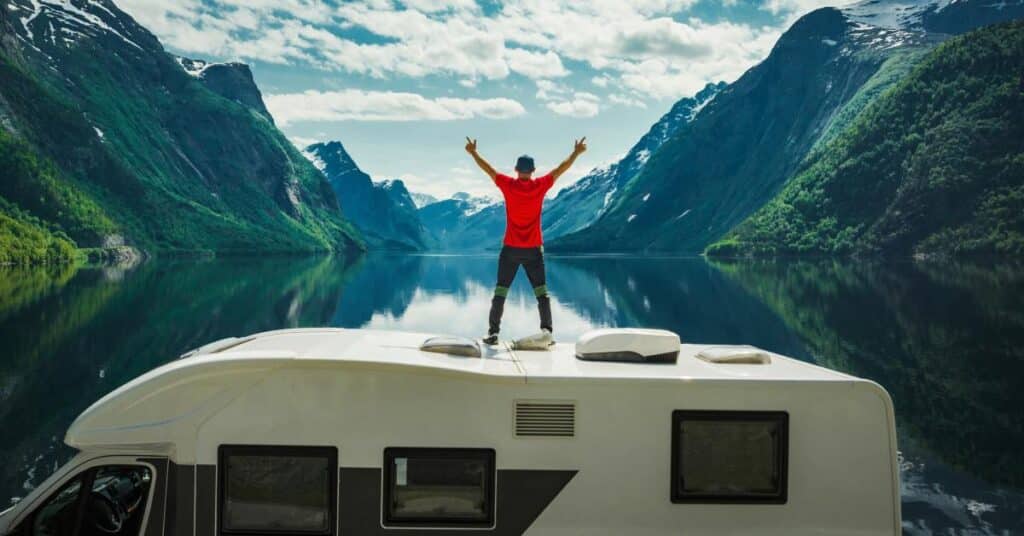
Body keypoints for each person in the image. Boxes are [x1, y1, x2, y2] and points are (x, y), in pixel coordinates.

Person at [464, 136, 587, 345]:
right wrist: (576, 152)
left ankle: (493, 333)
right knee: (542, 293)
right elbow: (560, 169)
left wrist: (473, 152)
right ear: (533, 171)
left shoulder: (508, 185)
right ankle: (547, 332)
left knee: (501, 291)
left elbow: (489, 170)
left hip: (510, 249)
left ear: (516, 169)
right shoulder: (540, 185)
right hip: (533, 251)